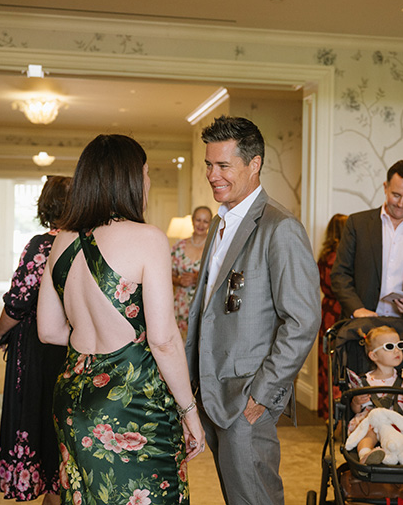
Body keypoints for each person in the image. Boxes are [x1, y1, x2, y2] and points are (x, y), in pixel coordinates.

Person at [37, 135, 204, 504]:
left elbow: (48, 331)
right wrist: (189, 410)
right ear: (129, 179)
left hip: (72, 398)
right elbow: (163, 339)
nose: (148, 182)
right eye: (146, 173)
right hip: (132, 404)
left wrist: (92, 331)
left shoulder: (61, 240)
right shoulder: (148, 238)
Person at [185, 115, 321, 504]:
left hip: (247, 398)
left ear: (254, 163)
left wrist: (261, 395)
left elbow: (303, 320)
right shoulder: (220, 223)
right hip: (212, 393)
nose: (212, 175)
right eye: (208, 165)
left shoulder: (281, 227)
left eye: (223, 165)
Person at [0, 176, 71, 503]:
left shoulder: (42, 245)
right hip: (74, 343)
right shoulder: (88, 243)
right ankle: (59, 486)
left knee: (39, 415)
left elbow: (19, 300)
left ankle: (49, 489)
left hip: (38, 346)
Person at [331, 159, 403, 336]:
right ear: (385, 187)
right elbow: (340, 274)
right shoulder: (357, 224)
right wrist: (357, 309)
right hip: (361, 328)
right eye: (396, 195)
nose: (401, 204)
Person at [347, 325, 403, 466]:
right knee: (368, 435)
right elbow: (356, 410)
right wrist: (356, 402)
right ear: (373, 356)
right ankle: (366, 454)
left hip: (397, 420)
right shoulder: (364, 381)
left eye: (399, 345)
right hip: (373, 422)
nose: (397, 350)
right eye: (389, 347)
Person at [317, 213, 348, 418]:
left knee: (327, 362)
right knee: (338, 363)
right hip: (338, 312)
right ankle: (337, 416)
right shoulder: (339, 257)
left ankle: (329, 413)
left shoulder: (325, 255)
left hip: (326, 310)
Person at [170, 206, 212, 340]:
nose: (201, 224)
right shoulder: (179, 246)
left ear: (210, 223)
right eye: (198, 220)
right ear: (192, 220)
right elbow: (168, 275)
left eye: (205, 221)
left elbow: (220, 277)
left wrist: (198, 278)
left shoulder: (214, 247)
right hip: (180, 304)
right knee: (179, 343)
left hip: (203, 303)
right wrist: (179, 280)